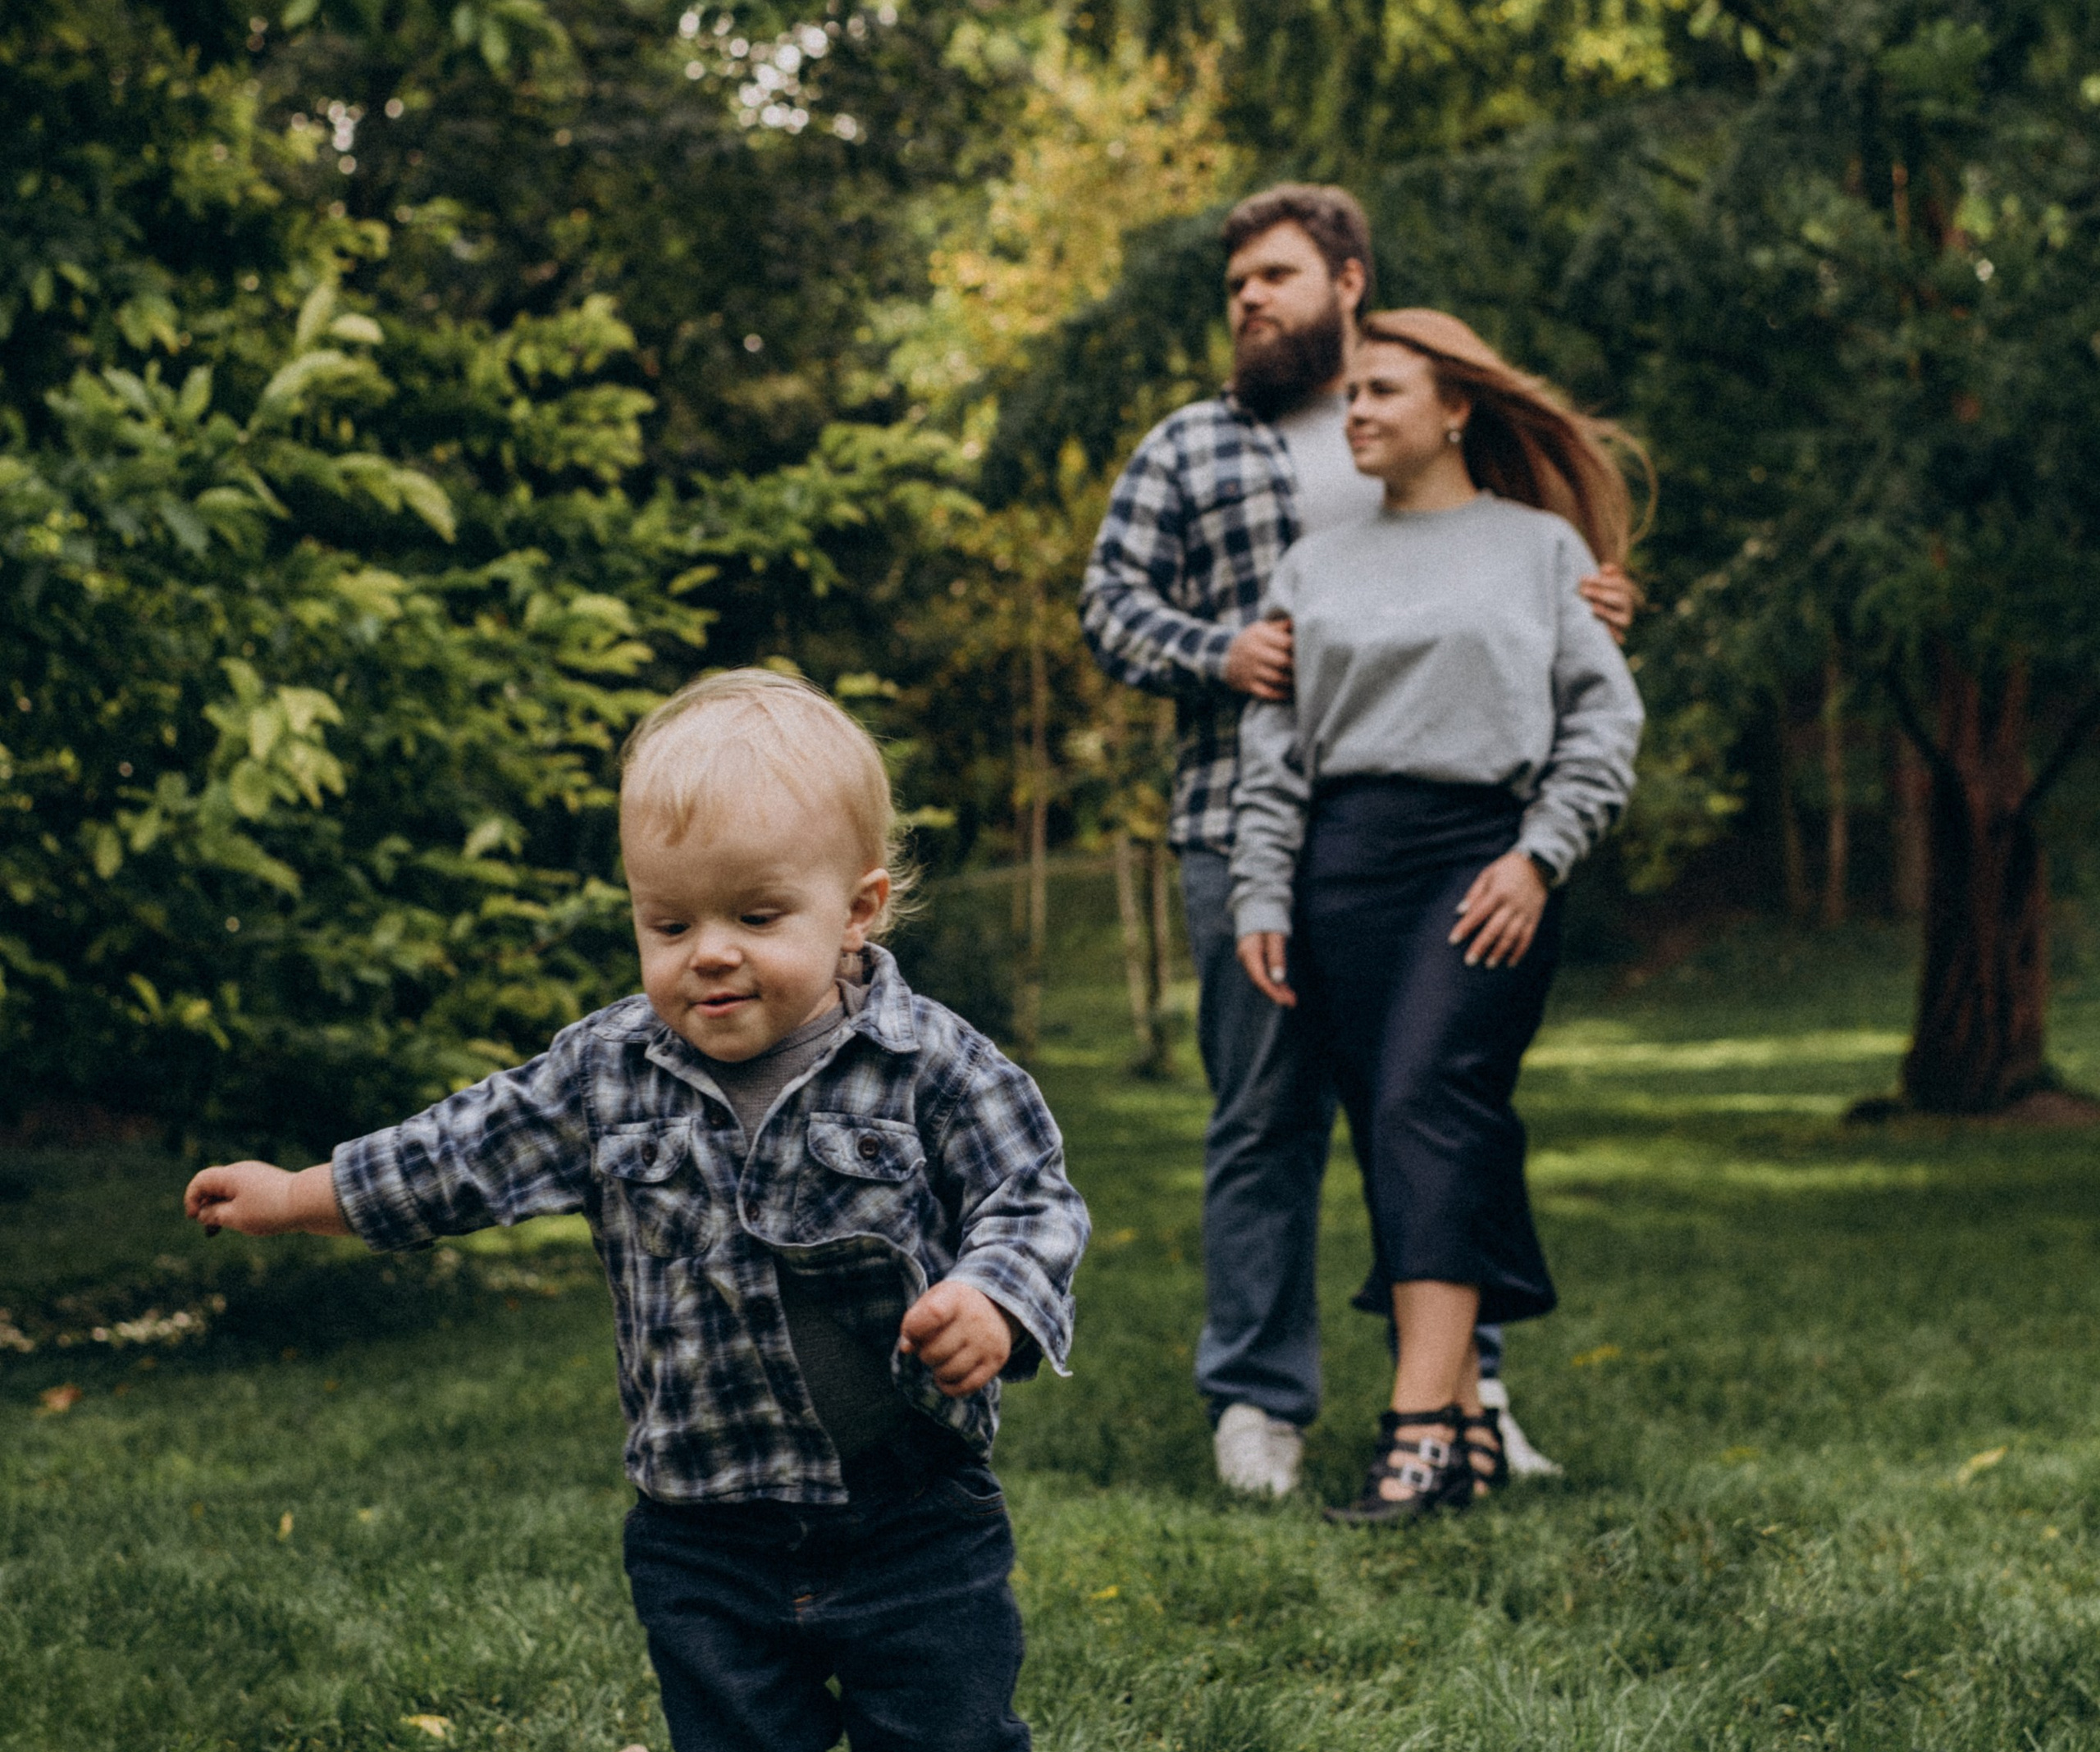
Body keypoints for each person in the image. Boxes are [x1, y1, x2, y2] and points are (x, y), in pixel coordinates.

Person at [184, 670, 1089, 1752]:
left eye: (757, 916)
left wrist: (994, 1294)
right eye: (668, 921)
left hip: (914, 1519)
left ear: (859, 910)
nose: (708, 950)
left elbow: (1030, 1193)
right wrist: (298, 1195)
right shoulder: (607, 1072)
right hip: (704, 1536)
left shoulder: (930, 1065)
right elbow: (463, 1151)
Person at [1079, 184, 1632, 1497]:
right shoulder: (1190, 451)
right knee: (1267, 1119)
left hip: (1450, 835)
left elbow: (1529, 597)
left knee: (1434, 1104)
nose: (1250, 302)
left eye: (1275, 275)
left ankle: (1466, 1393)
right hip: (1250, 834)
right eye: (1236, 288)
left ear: (1349, 282)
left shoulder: (1431, 433)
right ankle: (1260, 1403)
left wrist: (1599, 596)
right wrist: (1221, 650)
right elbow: (1107, 607)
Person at [1229, 309, 1645, 1522]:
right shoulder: (1313, 562)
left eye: (1381, 390)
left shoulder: (1540, 548)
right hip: (1341, 868)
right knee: (1409, 1130)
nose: (1354, 410)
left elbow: (1603, 722)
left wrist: (1539, 857)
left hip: (1480, 861)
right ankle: (1462, 1425)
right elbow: (1276, 750)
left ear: (1455, 408)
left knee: (1425, 1099)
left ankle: (1414, 1433)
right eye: (1349, 393)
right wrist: (1263, 889)